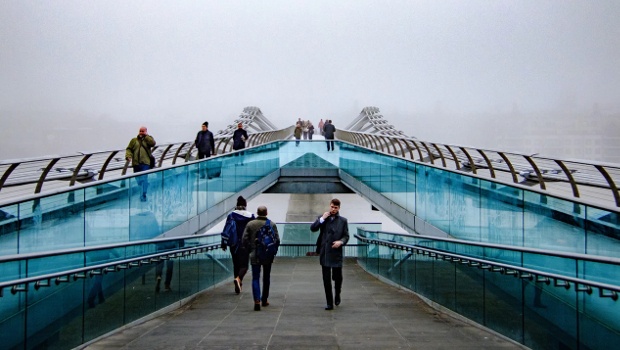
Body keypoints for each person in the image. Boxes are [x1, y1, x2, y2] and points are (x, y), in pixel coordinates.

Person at [310, 198, 349, 310]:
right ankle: (329, 302)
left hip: (336, 252)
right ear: (329, 206)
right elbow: (313, 228)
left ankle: (337, 294)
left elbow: (346, 236)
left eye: (335, 208)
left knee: (338, 277)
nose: (333, 209)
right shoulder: (323, 218)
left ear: (339, 208)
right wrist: (322, 218)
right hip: (325, 251)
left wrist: (340, 242)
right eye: (332, 207)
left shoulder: (343, 221)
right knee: (326, 279)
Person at [242, 205, 280, 311]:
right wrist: (273, 252)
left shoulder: (250, 224)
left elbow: (244, 239)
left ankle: (257, 300)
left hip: (255, 254)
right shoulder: (271, 224)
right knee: (266, 277)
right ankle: (264, 299)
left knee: (255, 277)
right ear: (266, 213)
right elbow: (277, 240)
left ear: (257, 213)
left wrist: (250, 250)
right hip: (267, 255)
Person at [221, 196, 255, 294]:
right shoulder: (251, 216)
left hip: (233, 244)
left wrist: (224, 243)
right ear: (245, 205)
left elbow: (226, 230)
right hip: (245, 244)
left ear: (237, 205)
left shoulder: (231, 215)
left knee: (236, 264)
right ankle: (239, 279)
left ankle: (238, 284)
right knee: (244, 266)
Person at [125, 126, 156, 201]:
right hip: (136, 163)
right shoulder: (134, 140)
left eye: (143, 131)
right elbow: (129, 149)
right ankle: (143, 189)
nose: (141, 132)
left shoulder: (148, 139)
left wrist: (146, 136)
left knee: (144, 178)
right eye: (140, 131)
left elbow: (153, 143)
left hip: (145, 163)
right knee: (138, 179)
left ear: (146, 131)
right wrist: (128, 156)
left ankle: (143, 194)